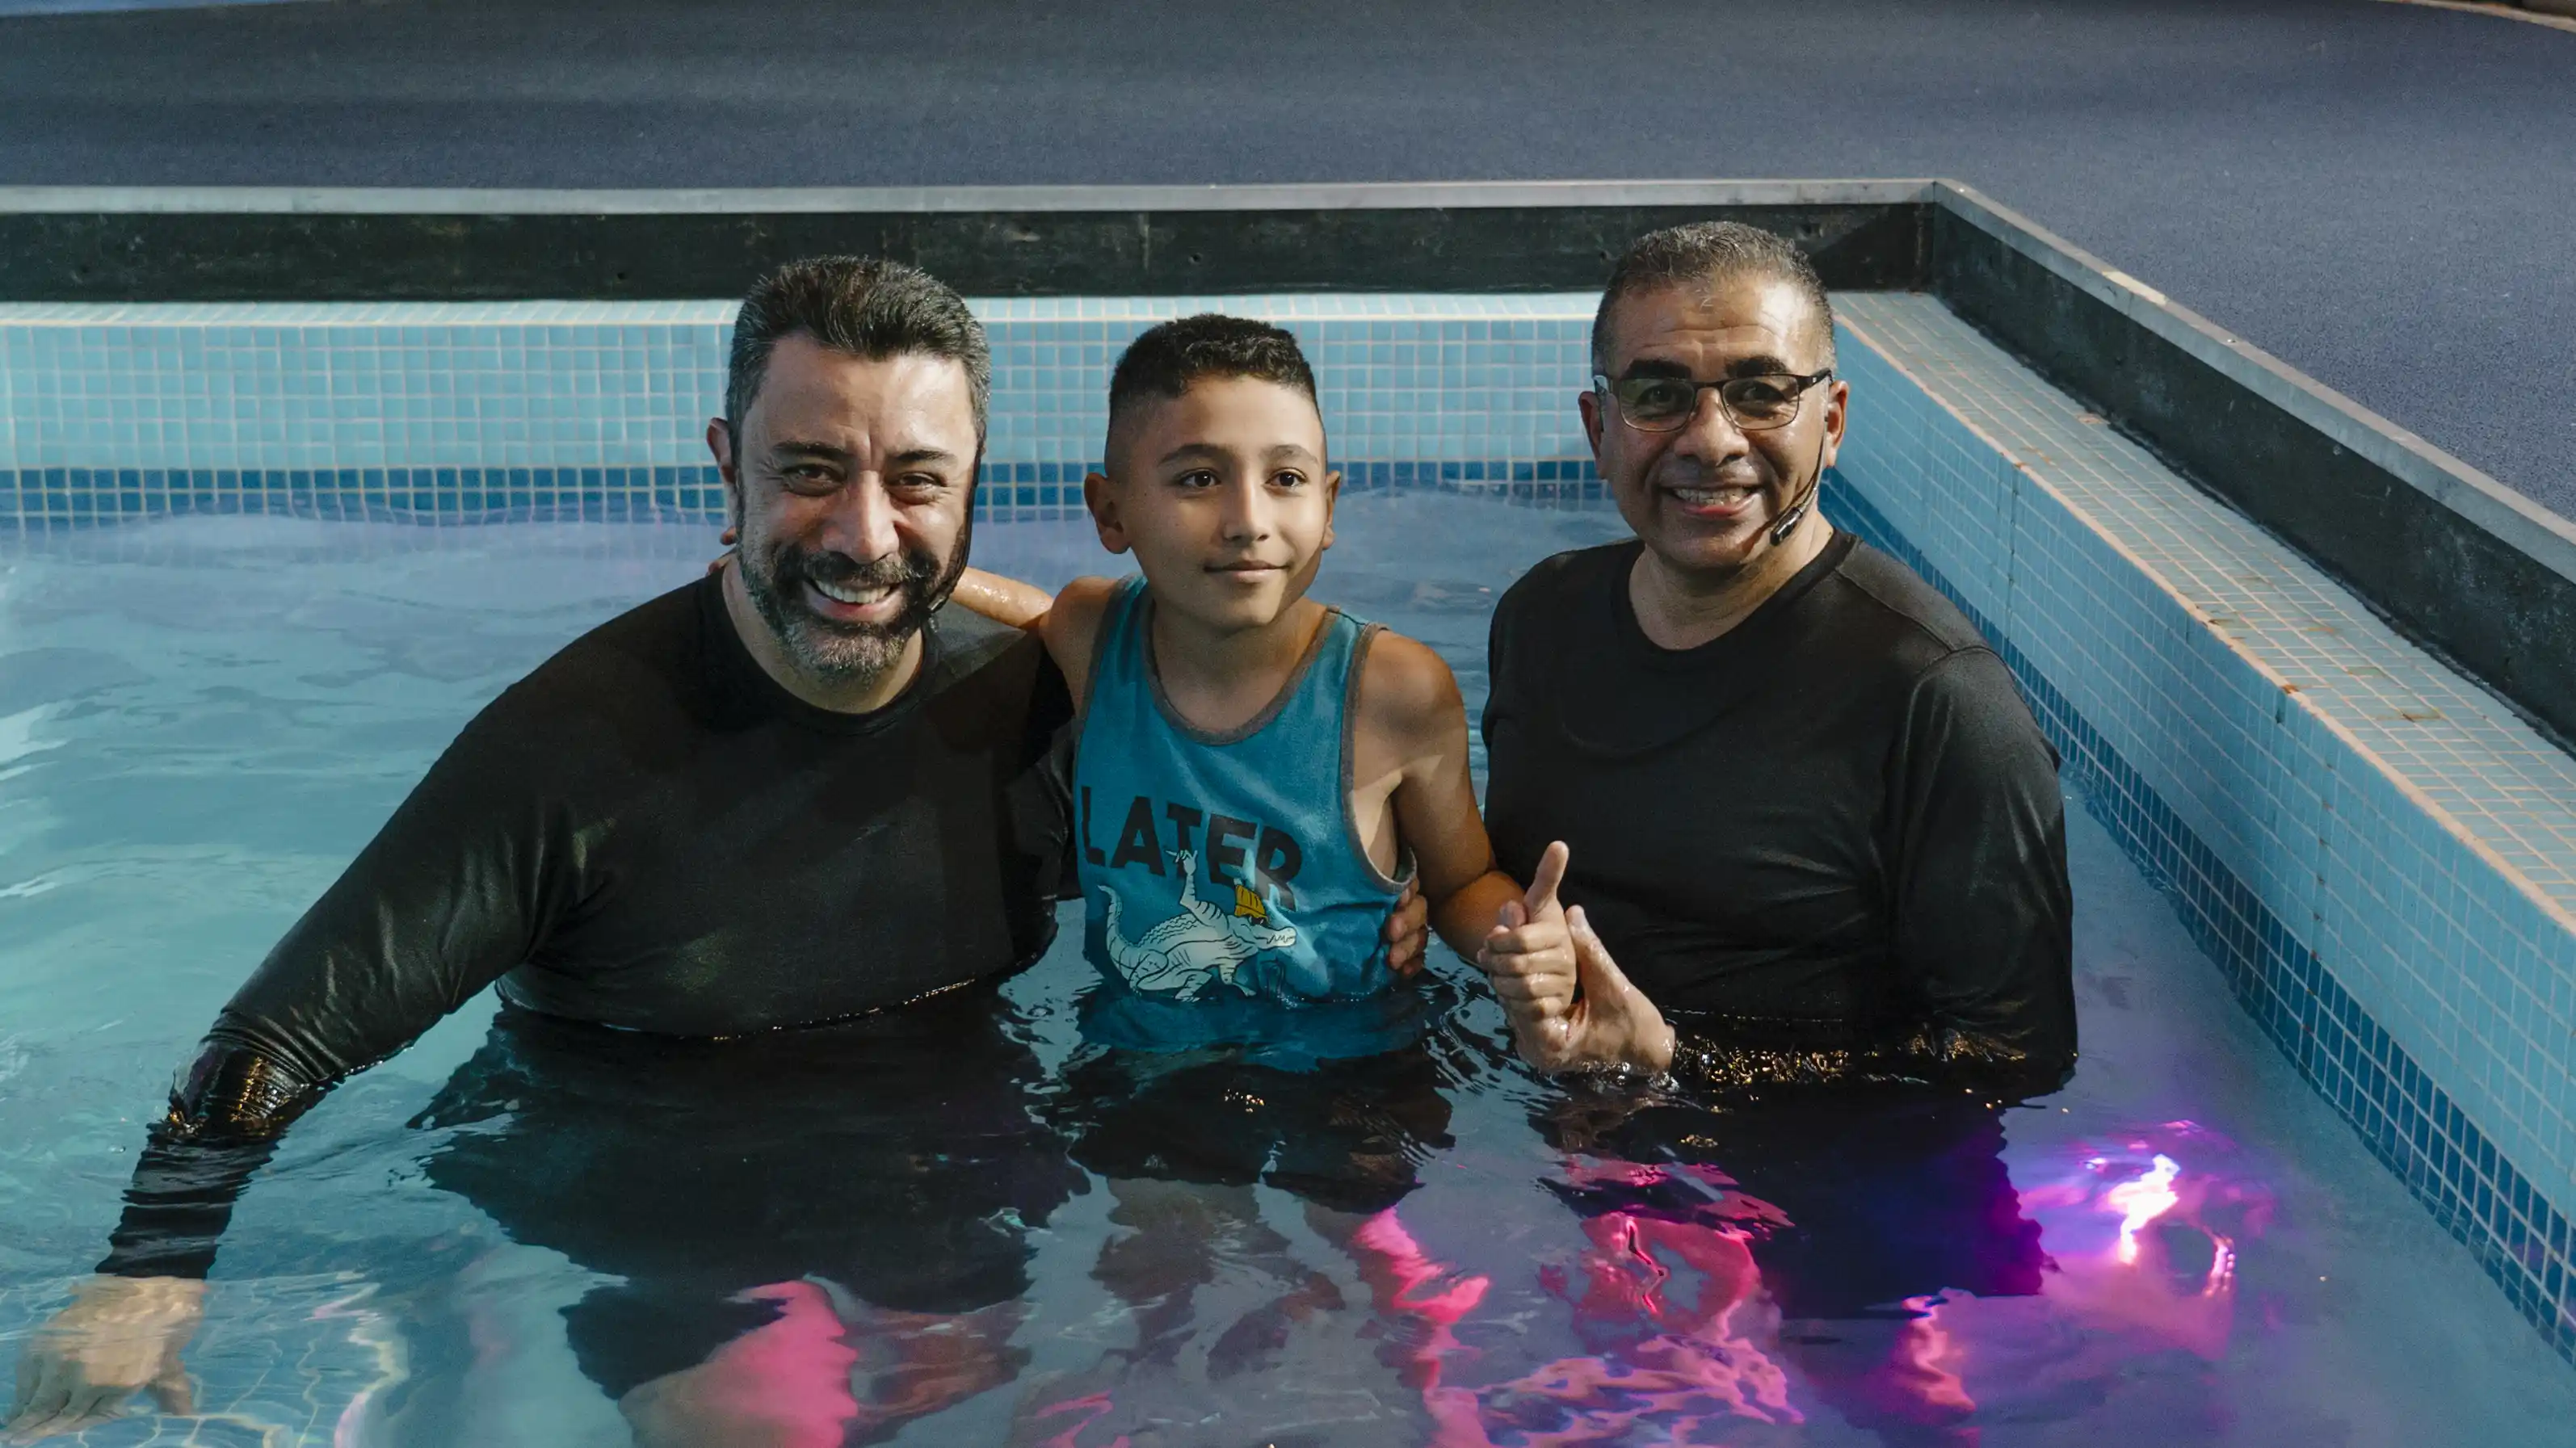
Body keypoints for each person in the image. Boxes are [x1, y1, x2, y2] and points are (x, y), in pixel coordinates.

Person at [3, 258, 1431, 1443]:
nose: (864, 535)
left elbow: (1220, 820)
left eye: (916, 480)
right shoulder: (570, 749)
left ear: (972, 487)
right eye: (809, 471)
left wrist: (1384, 890)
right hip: (651, 1179)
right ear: (724, 469)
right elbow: (276, 1037)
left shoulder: (1039, 695)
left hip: (946, 1159)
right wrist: (149, 1269)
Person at [1476, 220, 2077, 1098]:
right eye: (1657, 394)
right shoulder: (1542, 619)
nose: (1710, 439)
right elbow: (1497, 887)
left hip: (1798, 1169)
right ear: (1599, 427)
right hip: (1541, 1120)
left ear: (1831, 423)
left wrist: (1678, 1062)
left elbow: (2017, 1058)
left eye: (1761, 393)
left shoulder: (1938, 700)